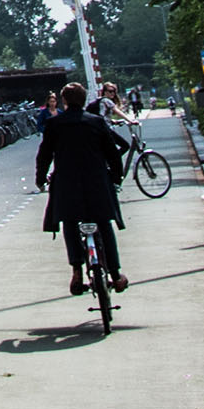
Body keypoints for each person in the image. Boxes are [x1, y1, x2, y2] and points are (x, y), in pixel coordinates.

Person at [33, 79, 130, 290]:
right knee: (104, 224)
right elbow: (112, 153)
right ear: (84, 100)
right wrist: (116, 177)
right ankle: (115, 273)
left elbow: (44, 156)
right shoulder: (96, 122)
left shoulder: (55, 124)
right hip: (96, 183)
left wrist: (41, 179)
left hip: (68, 185)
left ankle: (76, 273)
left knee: (69, 223)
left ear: (64, 100)